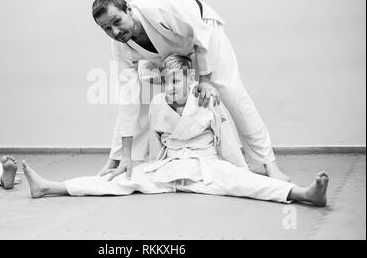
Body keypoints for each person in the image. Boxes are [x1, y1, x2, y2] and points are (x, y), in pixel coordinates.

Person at [22, 55, 328, 207]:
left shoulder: (207, 99)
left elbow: (227, 137)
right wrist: (146, 166)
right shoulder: (157, 103)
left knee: (244, 183)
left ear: (190, 79)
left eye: (175, 82)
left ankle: (305, 194)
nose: (169, 89)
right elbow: (154, 141)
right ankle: (50, 187)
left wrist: (241, 167)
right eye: (165, 82)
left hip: (206, 164)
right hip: (170, 167)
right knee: (122, 182)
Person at [92, 0, 290, 182]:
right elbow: (128, 99)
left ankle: (269, 163)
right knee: (140, 96)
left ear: (128, 9)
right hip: (170, 49)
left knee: (231, 92)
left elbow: (202, 36)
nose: (115, 31)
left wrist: (205, 81)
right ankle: (117, 159)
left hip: (204, 34)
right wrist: (124, 154)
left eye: (117, 22)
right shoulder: (119, 46)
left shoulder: (159, 7)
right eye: (107, 28)